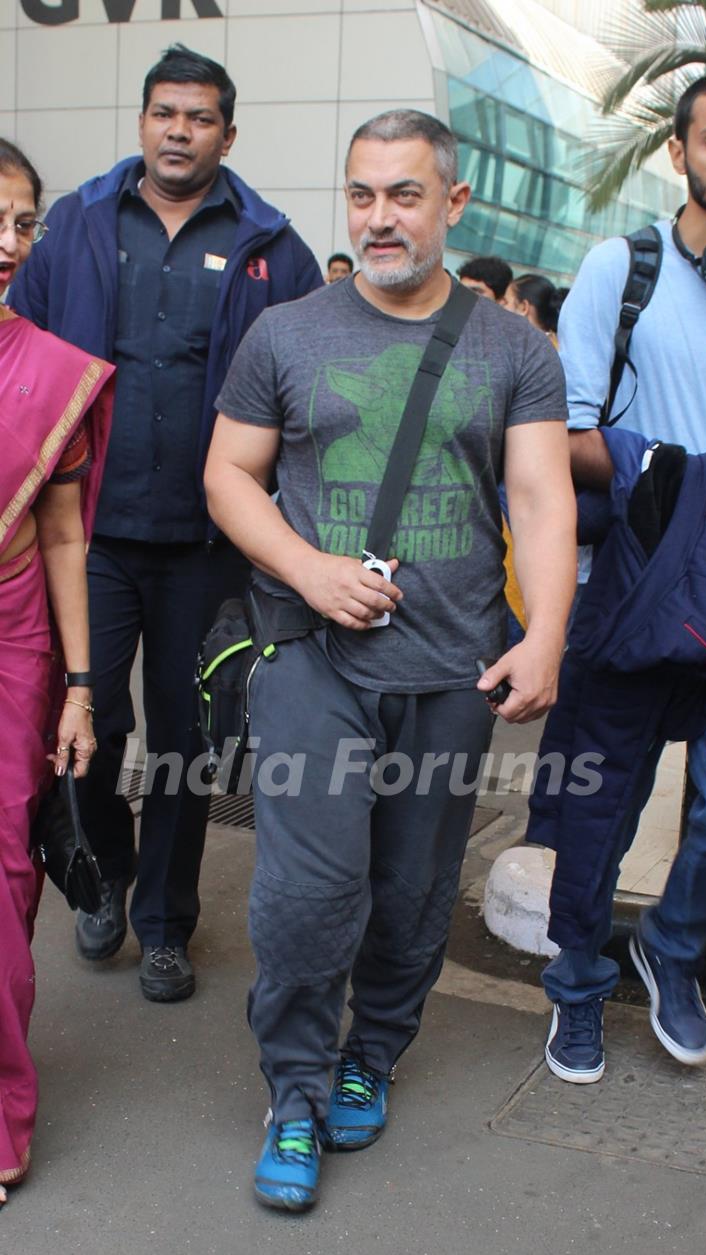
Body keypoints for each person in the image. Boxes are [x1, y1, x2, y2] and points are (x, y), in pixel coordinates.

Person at [205, 108, 577, 1211]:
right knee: (307, 896)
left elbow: (542, 495)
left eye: (404, 195)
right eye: (361, 193)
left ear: (452, 205)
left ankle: (375, 1049)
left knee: (414, 894)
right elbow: (229, 475)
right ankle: (299, 1092)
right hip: (314, 657)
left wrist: (546, 631)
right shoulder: (286, 332)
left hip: (453, 666)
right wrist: (307, 567)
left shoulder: (513, 346)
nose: (378, 217)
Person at [10, 44, 323, 1004]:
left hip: (208, 546)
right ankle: (101, 880)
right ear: (142, 122)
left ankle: (165, 922)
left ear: (229, 132)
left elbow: (310, 386)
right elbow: (17, 355)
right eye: (162, 113)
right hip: (88, 535)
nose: (177, 130)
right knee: (90, 716)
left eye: (197, 117)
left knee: (189, 741)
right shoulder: (76, 226)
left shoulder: (274, 246)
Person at [539, 71, 706, 1084]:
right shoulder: (628, 266)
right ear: (681, 152)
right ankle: (575, 981)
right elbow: (566, 431)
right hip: (646, 578)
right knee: (602, 798)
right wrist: (665, 474)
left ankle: (672, 948)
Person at [0, 139, 114, 1203]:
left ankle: (0, 1116)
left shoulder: (49, 371)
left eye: (23, 222)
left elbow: (66, 534)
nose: (7, 245)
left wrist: (82, 685)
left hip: (13, 641)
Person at [506, 274, 568, 345]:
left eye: (505, 301)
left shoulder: (521, 347)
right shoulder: (552, 345)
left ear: (523, 307)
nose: (500, 303)